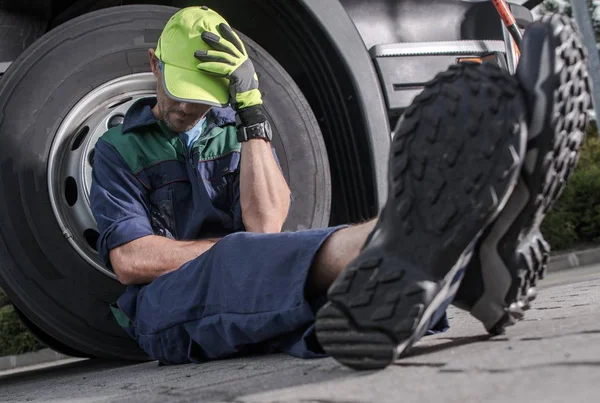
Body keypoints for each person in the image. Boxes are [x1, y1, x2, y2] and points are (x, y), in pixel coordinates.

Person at [89, 7, 590, 370]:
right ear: (156, 65)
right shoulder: (117, 149)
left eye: (201, 98)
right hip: (162, 310)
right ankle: (422, 236)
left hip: (258, 288)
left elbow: (267, 225)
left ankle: (474, 283)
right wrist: (235, 249)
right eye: (180, 93)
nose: (186, 108)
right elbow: (132, 261)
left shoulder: (236, 127)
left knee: (338, 305)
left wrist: (252, 111)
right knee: (243, 259)